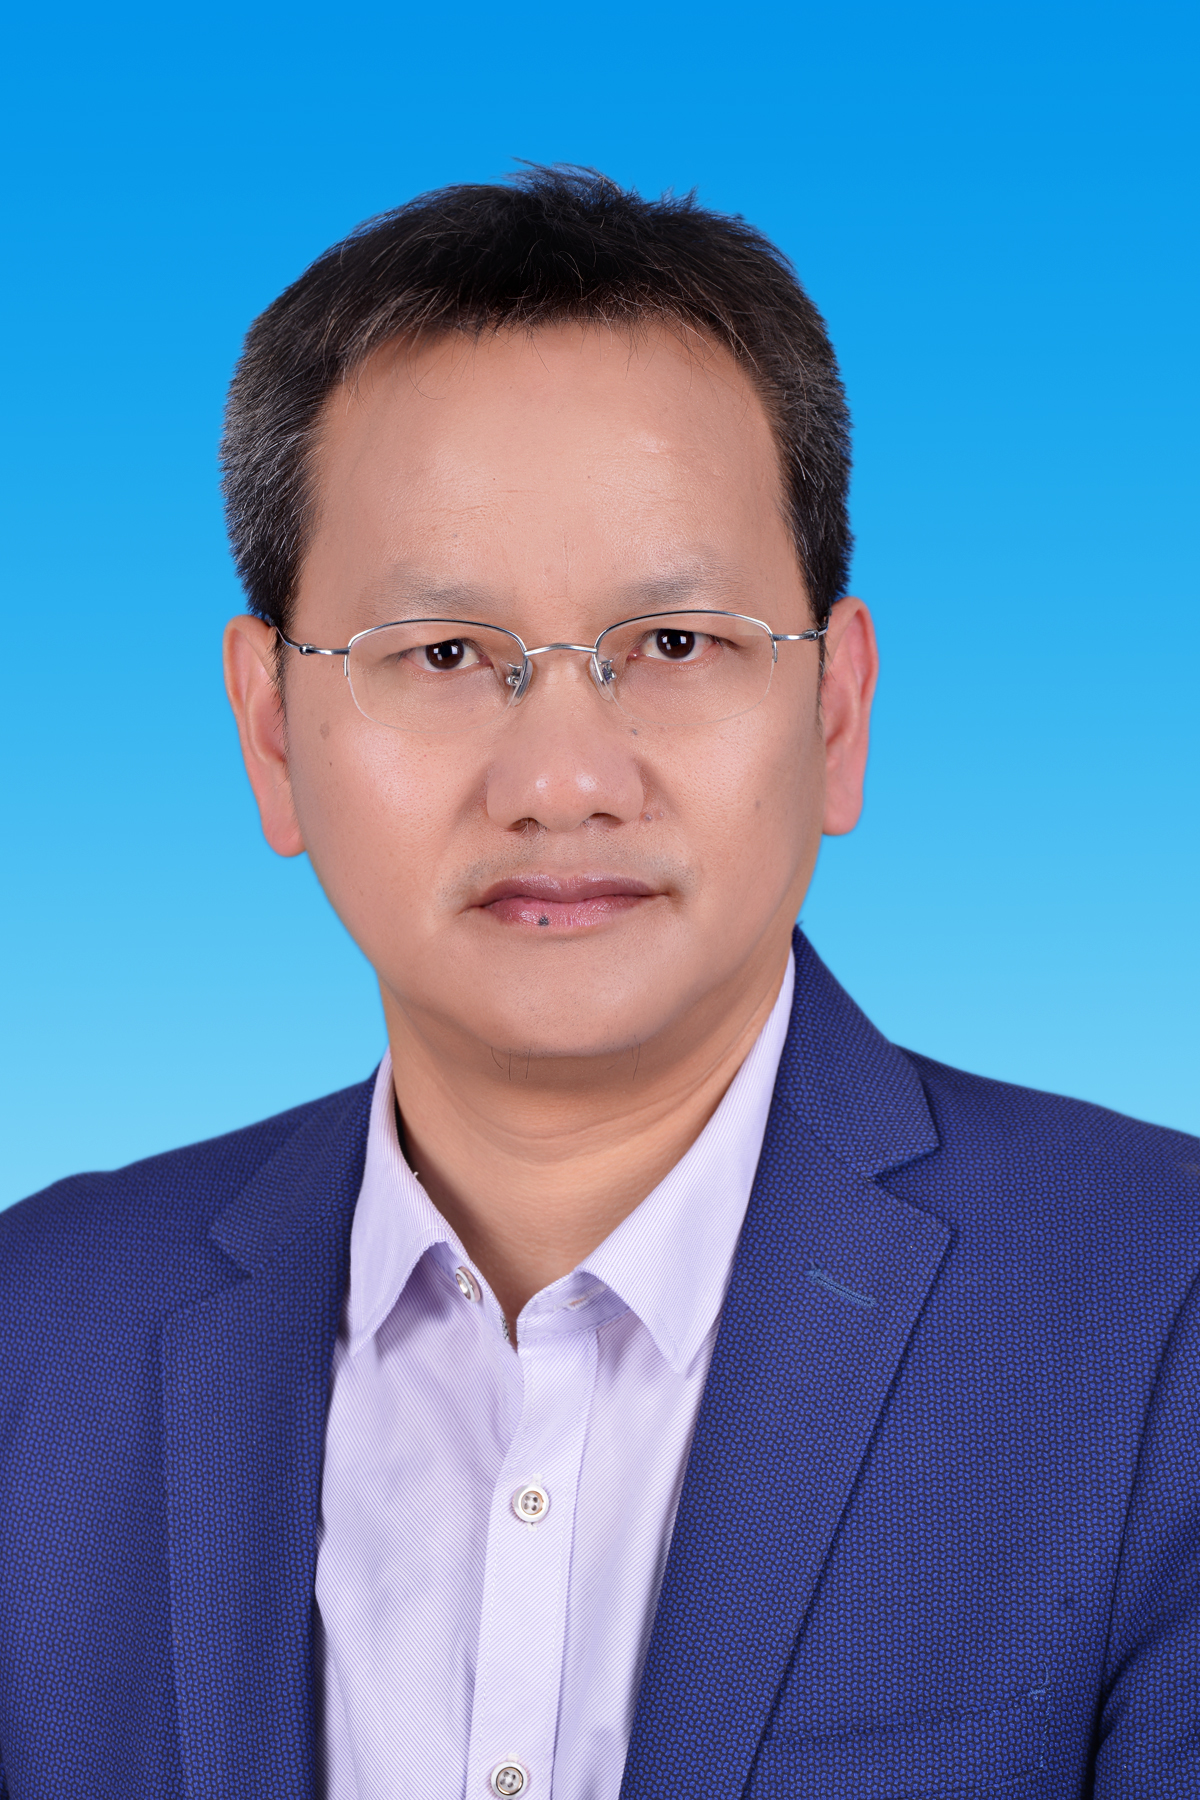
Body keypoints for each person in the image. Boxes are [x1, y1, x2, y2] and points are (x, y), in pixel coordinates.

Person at [1, 166, 1197, 1800]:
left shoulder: (1158, 1314)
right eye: (443, 655)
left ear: (837, 712)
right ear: (270, 733)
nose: (562, 781)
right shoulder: (39, 1334)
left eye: (676, 644)